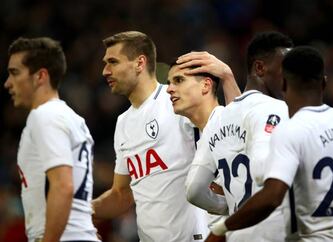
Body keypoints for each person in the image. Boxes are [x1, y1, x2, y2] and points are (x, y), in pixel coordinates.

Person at [91, 31, 239, 242]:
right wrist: (85, 211)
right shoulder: (123, 123)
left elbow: (232, 129)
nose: (105, 71)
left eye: (113, 62)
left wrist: (226, 76)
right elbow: (121, 194)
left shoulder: (176, 101)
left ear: (140, 63)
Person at [206, 46, 333, 242]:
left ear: (285, 84)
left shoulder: (289, 130)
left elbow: (272, 197)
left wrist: (221, 228)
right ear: (324, 83)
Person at [185, 31, 293, 242]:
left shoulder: (218, 118)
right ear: (260, 68)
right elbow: (263, 170)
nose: (290, 78)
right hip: (273, 231)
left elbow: (194, 189)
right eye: (285, 70)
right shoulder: (278, 109)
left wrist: (230, 205)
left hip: (236, 233)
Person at [4, 37, 99, 242]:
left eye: (14, 73)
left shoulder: (44, 116)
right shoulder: (75, 119)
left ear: (40, 76)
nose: (7, 83)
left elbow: (63, 186)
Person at [167, 52, 240, 228]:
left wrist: (227, 75)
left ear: (206, 85)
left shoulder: (224, 122)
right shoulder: (194, 132)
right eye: (169, 82)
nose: (169, 89)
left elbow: (238, 117)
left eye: (178, 80)